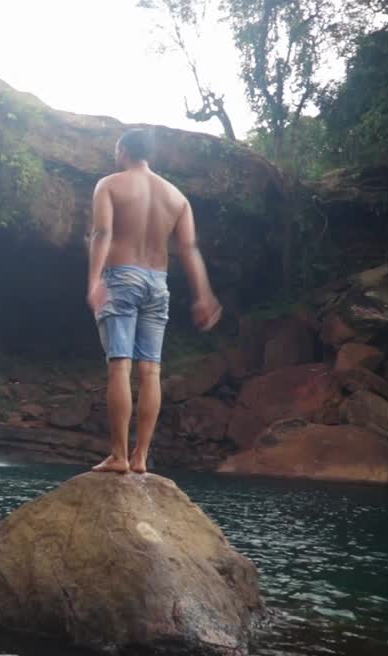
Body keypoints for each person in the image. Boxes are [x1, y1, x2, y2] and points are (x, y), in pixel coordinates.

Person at [85, 128, 222, 474]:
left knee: (120, 364)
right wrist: (203, 294)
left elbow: (103, 233)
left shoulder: (109, 184)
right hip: (157, 284)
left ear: (122, 151)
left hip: (121, 277)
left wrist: (94, 280)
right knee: (151, 370)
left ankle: (118, 456)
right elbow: (189, 248)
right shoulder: (177, 198)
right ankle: (140, 456)